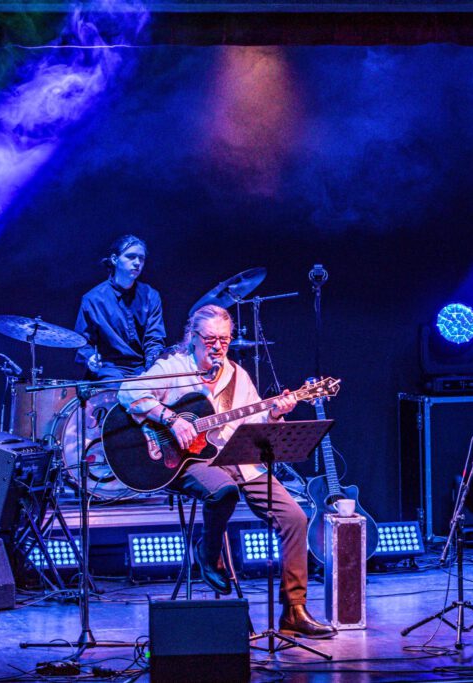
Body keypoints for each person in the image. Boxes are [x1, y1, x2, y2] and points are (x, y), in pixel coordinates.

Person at [117, 304, 335, 638]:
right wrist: (171, 419)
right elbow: (128, 391)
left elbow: (255, 424)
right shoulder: (173, 367)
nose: (218, 346)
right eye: (210, 339)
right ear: (193, 337)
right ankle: (208, 554)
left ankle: (294, 609)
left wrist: (275, 414)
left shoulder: (237, 375)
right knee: (223, 491)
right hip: (189, 460)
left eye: (224, 339)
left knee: (295, 518)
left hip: (238, 458)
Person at [74, 235, 166, 379]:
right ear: (115, 259)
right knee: (119, 387)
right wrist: (90, 358)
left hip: (142, 369)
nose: (137, 263)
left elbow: (154, 339)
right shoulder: (92, 299)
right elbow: (83, 343)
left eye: (141, 258)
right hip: (109, 370)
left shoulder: (151, 295)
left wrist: (152, 369)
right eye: (131, 257)